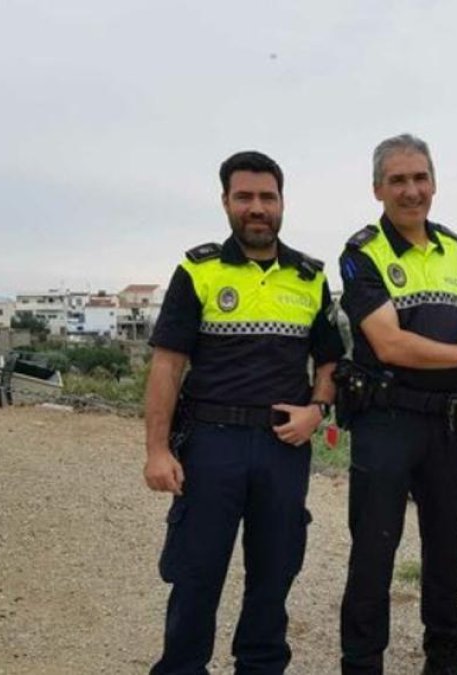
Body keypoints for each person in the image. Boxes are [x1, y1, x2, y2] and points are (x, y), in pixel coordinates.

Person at [143, 150, 344, 673]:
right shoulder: (198, 270)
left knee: (273, 577)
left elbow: (329, 361)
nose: (257, 208)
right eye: (245, 197)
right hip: (211, 446)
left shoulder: (310, 278)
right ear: (226, 202)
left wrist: (317, 411)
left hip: (284, 447)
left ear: (282, 203)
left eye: (267, 197)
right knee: (195, 575)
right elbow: (167, 366)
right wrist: (157, 450)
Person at [335, 133, 457, 675]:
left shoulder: (452, 247)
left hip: (445, 422)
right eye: (398, 180)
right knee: (374, 550)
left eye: (420, 178)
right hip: (385, 419)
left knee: (447, 543)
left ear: (434, 183)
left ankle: (444, 652)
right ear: (377, 189)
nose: (411, 191)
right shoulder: (362, 253)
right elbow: (390, 343)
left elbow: (447, 326)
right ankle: (363, 662)